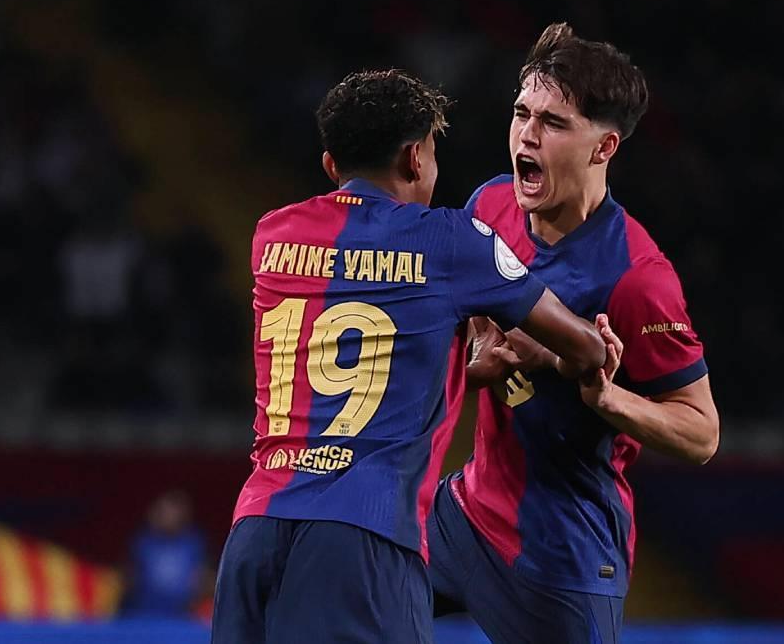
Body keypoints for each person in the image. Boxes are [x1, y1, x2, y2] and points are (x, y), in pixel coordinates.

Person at [211, 69, 611, 644]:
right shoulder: (452, 241)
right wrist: (588, 347)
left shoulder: (273, 235)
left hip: (254, 532)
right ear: (415, 158)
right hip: (363, 540)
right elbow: (581, 345)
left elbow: (350, 365)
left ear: (331, 165)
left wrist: (467, 373)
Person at [427, 24, 722, 642]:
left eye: (554, 123)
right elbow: (465, 327)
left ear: (604, 147)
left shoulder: (637, 280)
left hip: (561, 554)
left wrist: (606, 398)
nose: (527, 135)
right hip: (463, 517)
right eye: (521, 113)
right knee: (334, 604)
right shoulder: (490, 208)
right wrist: (485, 350)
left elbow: (701, 434)